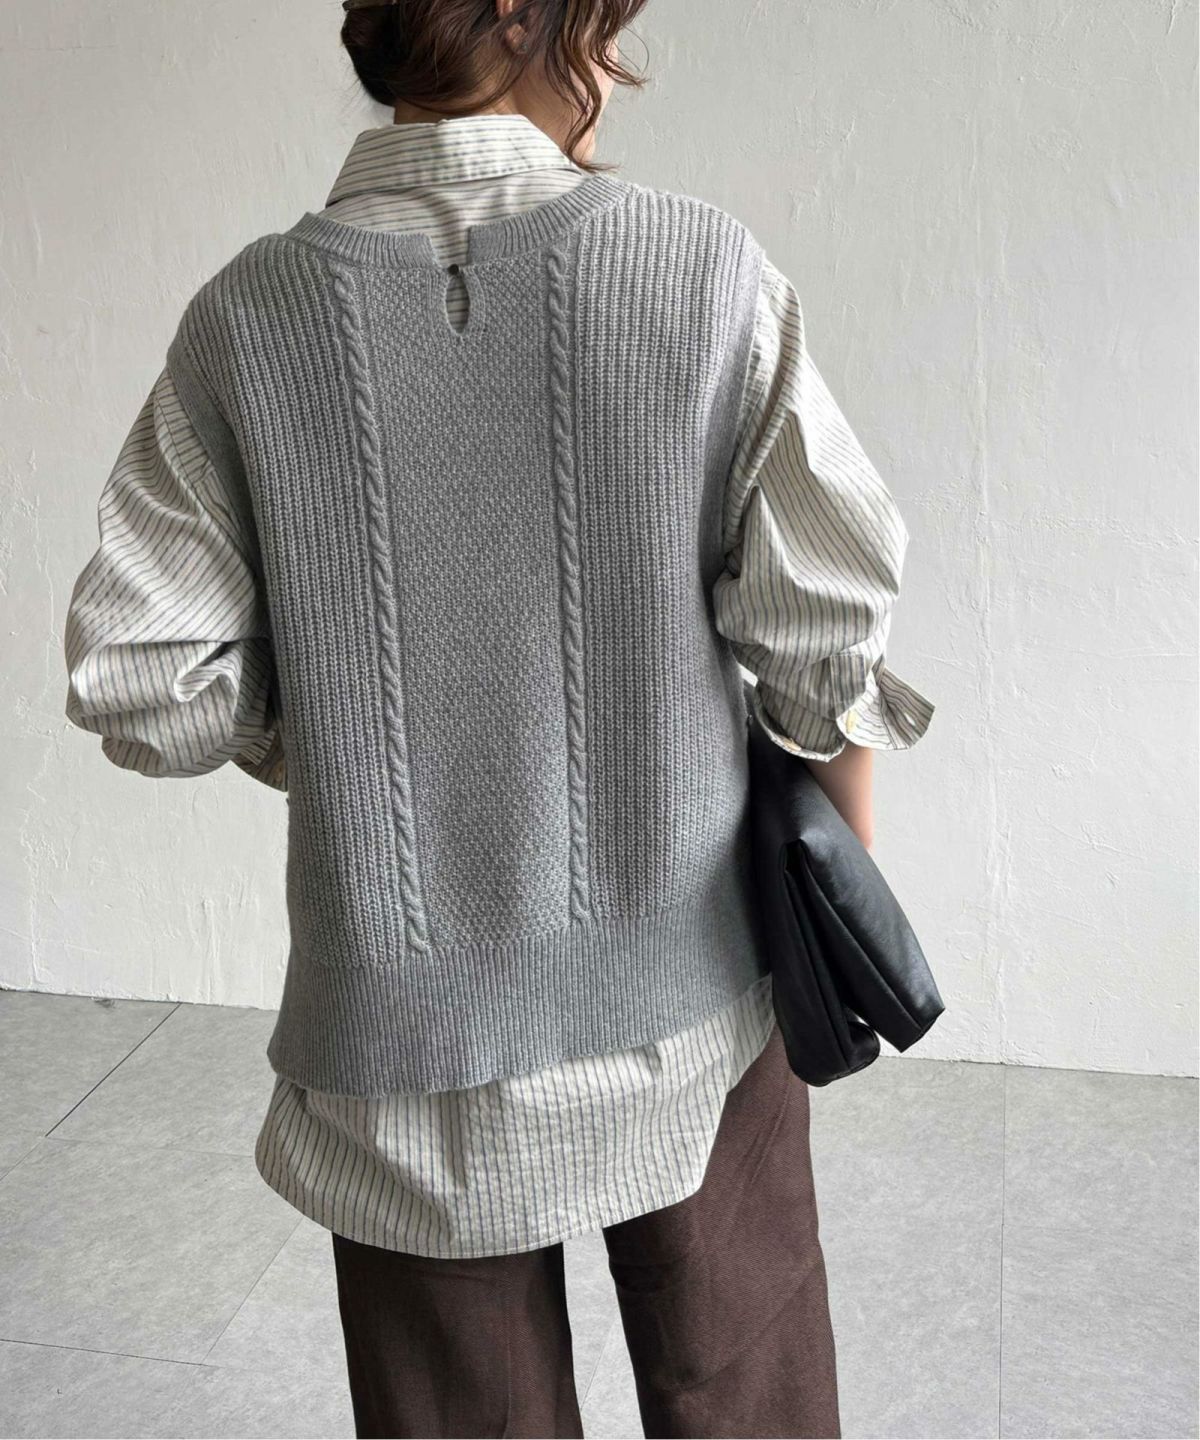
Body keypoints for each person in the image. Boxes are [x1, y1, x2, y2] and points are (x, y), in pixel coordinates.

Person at [61, 0, 935, 1435]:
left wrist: (345, 721)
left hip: (397, 1043)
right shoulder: (695, 268)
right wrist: (838, 891)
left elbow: (141, 677)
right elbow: (824, 635)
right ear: (532, 19)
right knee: (751, 1404)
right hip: (693, 1001)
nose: (612, 67)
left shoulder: (248, 317)